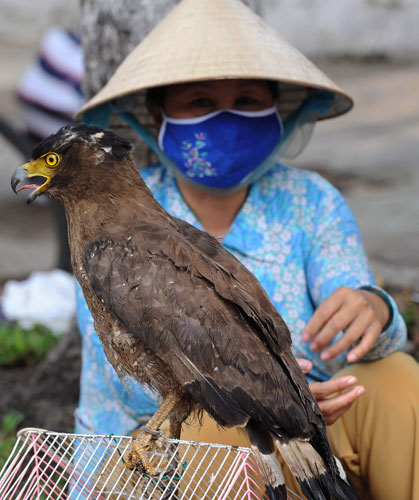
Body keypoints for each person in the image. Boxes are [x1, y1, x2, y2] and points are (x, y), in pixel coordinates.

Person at [75, 0, 419, 498]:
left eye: (248, 99)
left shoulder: (311, 201)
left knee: (398, 379)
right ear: (157, 115)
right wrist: (257, 390)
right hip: (175, 443)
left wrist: (371, 310)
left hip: (313, 422)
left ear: (277, 110)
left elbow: (367, 334)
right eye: (199, 102)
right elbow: (130, 375)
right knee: (216, 416)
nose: (227, 118)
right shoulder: (108, 220)